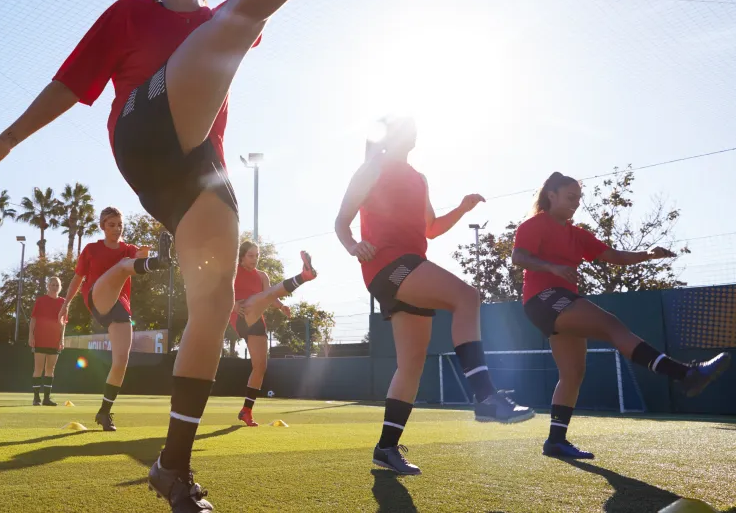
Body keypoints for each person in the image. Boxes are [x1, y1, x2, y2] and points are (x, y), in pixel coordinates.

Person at [0, 0, 309, 507]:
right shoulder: (129, 14)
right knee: (240, 16)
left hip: (201, 170)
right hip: (142, 131)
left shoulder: (219, 17)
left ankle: (173, 467)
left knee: (215, 305)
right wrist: (8, 139)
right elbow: (70, 84)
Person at [334, 116, 535, 476]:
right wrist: (353, 246)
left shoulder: (420, 179)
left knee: (411, 364)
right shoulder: (372, 168)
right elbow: (341, 221)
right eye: (403, 127)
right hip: (389, 266)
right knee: (467, 297)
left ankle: (386, 448)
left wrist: (461, 209)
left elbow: (431, 229)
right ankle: (485, 396)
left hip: (410, 267)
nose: (411, 131)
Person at [512, 172, 731, 459]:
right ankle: (685, 374)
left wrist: (648, 254)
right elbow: (519, 257)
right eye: (570, 197)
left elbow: (613, 255)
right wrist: (552, 268)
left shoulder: (577, 234)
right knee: (611, 325)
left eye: (579, 198)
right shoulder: (534, 224)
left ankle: (555, 441)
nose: (576, 203)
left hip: (559, 301)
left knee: (573, 373)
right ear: (551, 195)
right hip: (544, 299)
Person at [63, 207, 172, 430]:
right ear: (102, 226)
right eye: (111, 225)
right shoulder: (91, 249)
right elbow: (77, 279)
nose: (116, 229)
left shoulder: (128, 249)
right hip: (97, 297)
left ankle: (104, 412)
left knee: (121, 361)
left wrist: (143, 256)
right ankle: (159, 262)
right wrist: (65, 305)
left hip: (120, 307)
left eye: (120, 225)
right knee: (122, 266)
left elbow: (137, 259)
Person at [231, 241, 317, 426]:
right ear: (241, 257)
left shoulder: (262, 276)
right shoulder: (233, 272)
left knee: (260, 366)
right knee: (259, 298)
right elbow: (220, 293)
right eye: (250, 256)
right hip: (241, 314)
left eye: (257, 255)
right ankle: (304, 276)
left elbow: (270, 296)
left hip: (257, 320)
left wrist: (281, 306)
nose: (255, 259)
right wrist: (233, 305)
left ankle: (246, 411)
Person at [30, 277, 68, 406]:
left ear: (60, 287)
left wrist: (62, 339)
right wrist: (31, 336)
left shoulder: (63, 302)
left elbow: (64, 323)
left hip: (55, 340)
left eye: (57, 285)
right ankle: (36, 398)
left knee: (50, 369)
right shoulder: (41, 301)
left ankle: (46, 398)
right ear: (48, 286)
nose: (55, 287)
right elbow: (33, 319)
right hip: (40, 338)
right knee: (38, 368)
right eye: (52, 284)